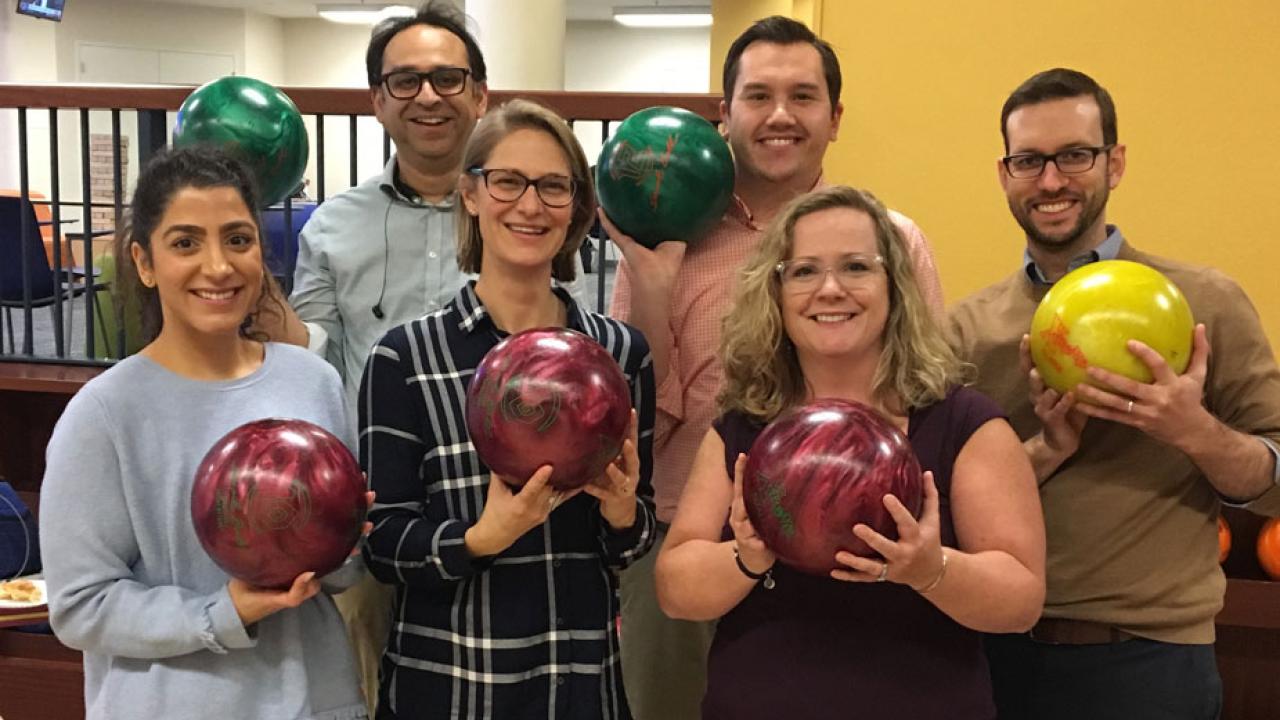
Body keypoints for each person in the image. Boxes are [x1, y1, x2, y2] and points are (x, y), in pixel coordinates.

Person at [601, 16, 946, 718]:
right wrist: (658, 283)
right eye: (758, 96)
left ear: (835, 116)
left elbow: (922, 393)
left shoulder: (893, 242)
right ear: (724, 114)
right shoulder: (663, 237)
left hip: (850, 545)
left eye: (803, 96)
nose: (780, 116)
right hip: (686, 537)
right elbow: (639, 412)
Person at [948, 68, 1280, 720]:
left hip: (1152, 663)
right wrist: (1046, 448)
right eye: (1029, 161)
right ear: (1004, 172)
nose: (1050, 181)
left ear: (1115, 162)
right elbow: (941, 492)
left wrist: (1194, 430)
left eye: (1074, 155)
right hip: (991, 649)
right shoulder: (966, 329)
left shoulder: (1204, 303)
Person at [655, 185, 1044, 719]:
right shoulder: (742, 429)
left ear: (895, 287)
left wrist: (930, 569)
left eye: (857, 267)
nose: (830, 289)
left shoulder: (963, 424)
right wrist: (745, 556)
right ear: (776, 293)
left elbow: (1021, 601)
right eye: (804, 271)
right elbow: (676, 589)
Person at [38, 146, 368, 720]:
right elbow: (79, 606)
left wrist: (343, 543)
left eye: (238, 240)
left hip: (313, 700)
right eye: (186, 243)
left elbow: (339, 572)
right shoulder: (104, 413)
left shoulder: (312, 380)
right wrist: (224, 613)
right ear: (144, 262)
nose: (218, 266)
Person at [359, 99, 657, 719]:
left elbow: (631, 542)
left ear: (576, 205)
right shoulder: (404, 358)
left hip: (578, 682)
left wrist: (626, 514)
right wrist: (480, 538)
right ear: (470, 194)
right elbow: (383, 544)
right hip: (449, 682)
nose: (530, 205)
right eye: (506, 181)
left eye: (553, 186)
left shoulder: (619, 356)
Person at [252, 4, 489, 708]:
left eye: (448, 79)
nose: (428, 97)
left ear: (481, 94)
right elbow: (312, 360)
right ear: (377, 100)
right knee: (370, 693)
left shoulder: (519, 213)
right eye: (406, 81)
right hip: (377, 511)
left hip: (501, 504)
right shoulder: (333, 225)